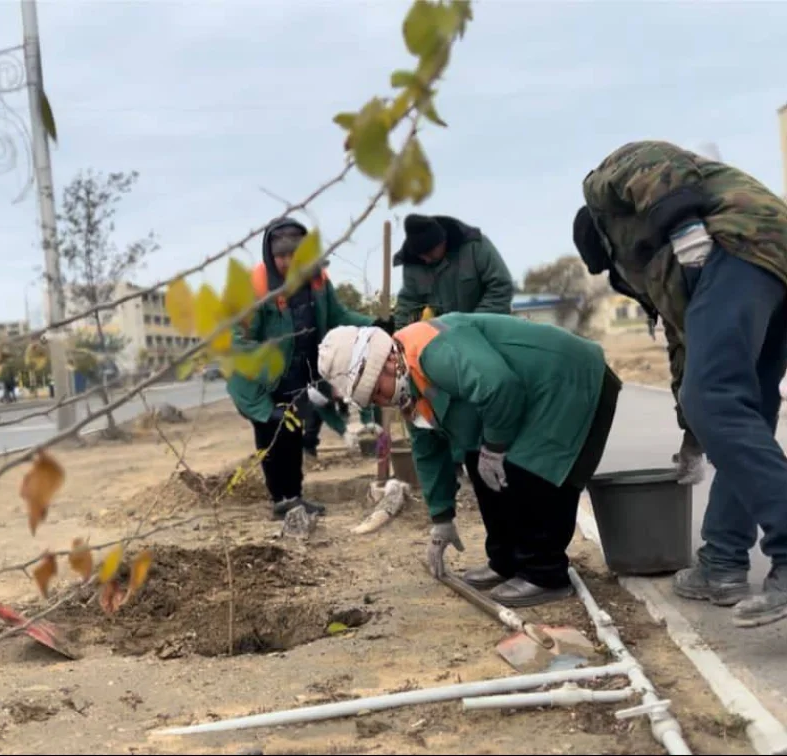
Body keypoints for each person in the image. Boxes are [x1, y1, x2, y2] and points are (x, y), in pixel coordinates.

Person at [574, 139, 787, 627]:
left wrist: (685, 226)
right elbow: (684, 349)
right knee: (739, 412)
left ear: (608, 240)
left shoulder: (601, 187)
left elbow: (654, 160)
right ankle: (722, 562)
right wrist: (694, 434)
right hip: (772, 260)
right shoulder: (667, 274)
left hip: (740, 243)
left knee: (715, 401)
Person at [316, 314, 621, 607]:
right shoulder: (408, 385)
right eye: (374, 401)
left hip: (567, 380)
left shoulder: (433, 351)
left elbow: (499, 386)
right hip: (529, 394)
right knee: (477, 460)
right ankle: (505, 560)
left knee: (529, 467)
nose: (383, 401)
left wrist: (496, 447)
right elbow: (428, 450)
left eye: (377, 391)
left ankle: (545, 573)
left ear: (386, 363)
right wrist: (441, 519)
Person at [226, 216, 387, 519]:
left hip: (297, 378)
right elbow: (236, 341)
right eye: (281, 256)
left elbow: (338, 316)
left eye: (294, 255)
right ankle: (281, 500)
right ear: (270, 255)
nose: (288, 262)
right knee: (273, 434)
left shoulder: (317, 282)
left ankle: (294, 497)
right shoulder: (254, 288)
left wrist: (374, 324)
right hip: (259, 382)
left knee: (294, 434)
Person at [391, 214, 515, 329]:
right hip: (447, 336)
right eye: (421, 255)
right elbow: (408, 303)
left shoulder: (476, 246)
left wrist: (474, 324)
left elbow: (501, 286)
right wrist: (400, 334)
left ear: (443, 241)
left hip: (487, 330)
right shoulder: (413, 262)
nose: (426, 259)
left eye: (430, 253)